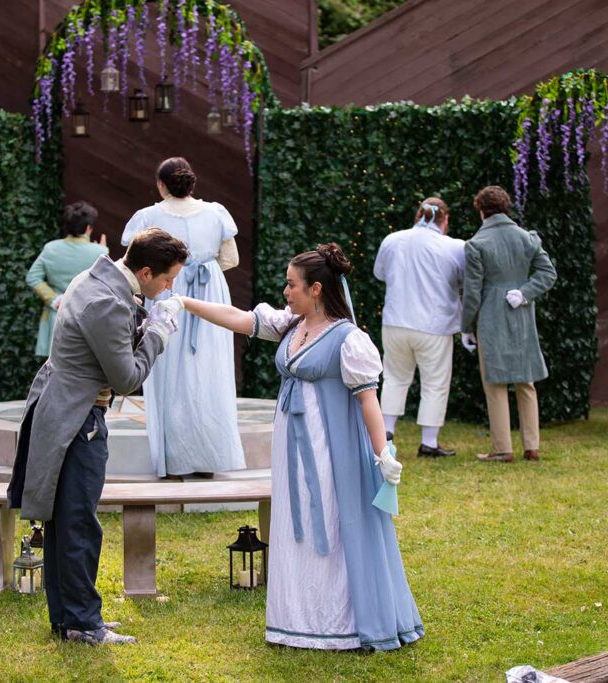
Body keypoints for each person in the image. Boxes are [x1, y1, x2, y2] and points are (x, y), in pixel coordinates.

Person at [181, 243, 424, 651]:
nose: (285, 292)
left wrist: (383, 454)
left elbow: (369, 401)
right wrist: (186, 303)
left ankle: (337, 621)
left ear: (315, 289)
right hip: (291, 447)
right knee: (295, 522)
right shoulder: (292, 325)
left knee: (326, 519)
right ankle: (294, 618)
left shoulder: (349, 340)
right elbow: (240, 320)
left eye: (291, 285)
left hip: (330, 449)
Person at [7, 228, 189, 646]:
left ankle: (71, 619)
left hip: (64, 406)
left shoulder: (96, 277)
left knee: (66, 521)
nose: (169, 287)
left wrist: (144, 320)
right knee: (79, 524)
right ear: (145, 271)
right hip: (77, 417)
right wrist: (158, 335)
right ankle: (84, 624)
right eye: (167, 279)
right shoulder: (107, 301)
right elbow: (126, 379)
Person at [122, 157, 244, 478]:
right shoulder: (216, 213)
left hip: (167, 288)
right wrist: (203, 268)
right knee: (210, 371)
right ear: (192, 183)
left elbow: (131, 259)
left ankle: (173, 462)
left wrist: (178, 273)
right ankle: (209, 459)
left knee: (166, 372)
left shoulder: (148, 217)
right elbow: (230, 258)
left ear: (162, 184)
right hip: (210, 296)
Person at [461, 186, 557, 463]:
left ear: (482, 210)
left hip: (491, 314)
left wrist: (466, 325)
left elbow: (472, 291)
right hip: (521, 312)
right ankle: (532, 445)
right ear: (506, 208)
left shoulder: (477, 244)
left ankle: (503, 448)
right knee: (525, 379)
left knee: (495, 382)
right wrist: (525, 292)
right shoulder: (526, 238)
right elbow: (548, 273)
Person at [373, 197, 465, 457]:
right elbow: (464, 280)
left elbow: (379, 273)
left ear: (417, 216)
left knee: (394, 377)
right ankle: (429, 442)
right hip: (434, 325)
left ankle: (387, 431)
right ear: (444, 220)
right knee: (435, 383)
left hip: (395, 321)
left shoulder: (392, 240)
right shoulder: (454, 246)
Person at [26, 201, 108, 357]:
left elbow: (32, 277)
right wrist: (102, 252)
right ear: (88, 228)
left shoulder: (51, 248)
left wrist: (54, 299)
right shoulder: (100, 252)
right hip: (86, 317)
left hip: (55, 316)